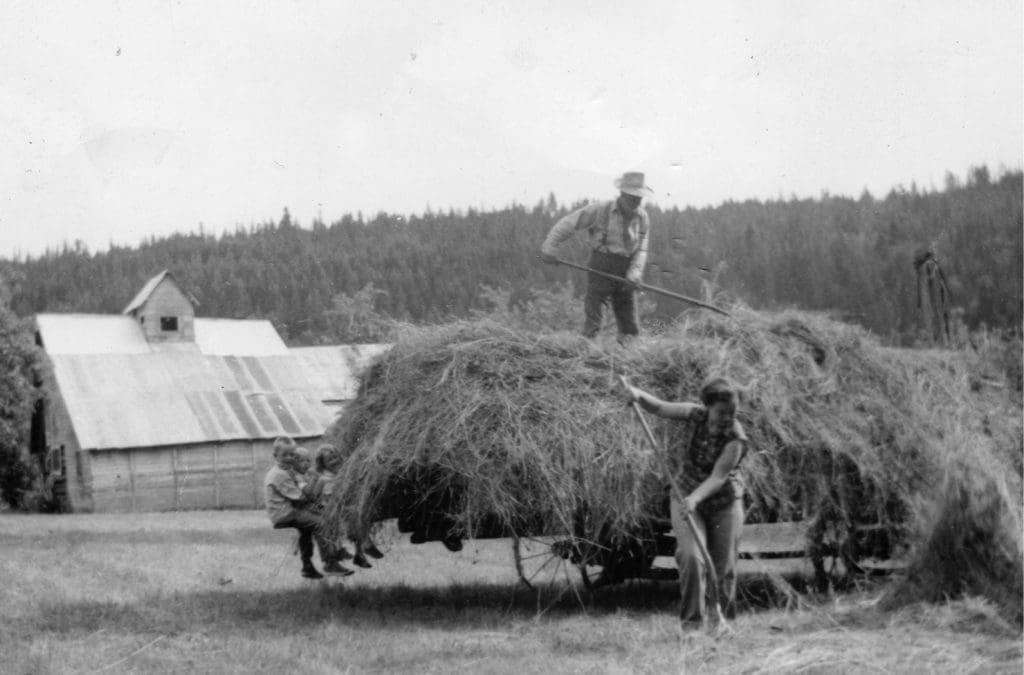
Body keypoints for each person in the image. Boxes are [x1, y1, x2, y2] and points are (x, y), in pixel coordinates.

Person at [621, 378, 749, 627]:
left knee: (723, 568)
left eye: (732, 413)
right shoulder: (696, 414)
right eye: (722, 412)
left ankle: (720, 624)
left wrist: (696, 498)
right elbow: (659, 407)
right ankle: (691, 625)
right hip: (685, 494)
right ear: (708, 406)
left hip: (724, 502)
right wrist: (638, 394)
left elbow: (718, 477)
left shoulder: (736, 438)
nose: (727, 418)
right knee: (690, 556)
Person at [540, 171, 653, 340]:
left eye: (639, 198)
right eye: (632, 198)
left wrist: (635, 273)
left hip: (627, 267)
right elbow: (568, 224)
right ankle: (589, 351)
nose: (636, 202)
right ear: (622, 194)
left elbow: (642, 249)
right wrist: (550, 246)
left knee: (628, 319)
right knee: (594, 316)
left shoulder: (642, 217)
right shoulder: (600, 210)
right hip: (601, 263)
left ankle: (627, 354)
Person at [263, 437, 354, 578]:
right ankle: (330, 563)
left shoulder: (287, 471)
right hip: (285, 514)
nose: (289, 458)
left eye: (292, 455)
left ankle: (307, 566)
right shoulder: (279, 475)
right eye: (284, 455)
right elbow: (303, 498)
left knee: (306, 531)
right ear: (275, 456)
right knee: (321, 523)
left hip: (288, 511)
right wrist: (317, 483)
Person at [315, 443, 385, 567]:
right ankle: (365, 545)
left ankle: (360, 554)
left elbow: (353, 484)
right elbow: (317, 496)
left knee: (360, 513)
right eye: (329, 459)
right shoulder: (324, 478)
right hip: (335, 509)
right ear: (323, 464)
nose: (334, 461)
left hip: (346, 505)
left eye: (335, 457)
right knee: (355, 518)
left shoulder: (344, 471)